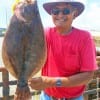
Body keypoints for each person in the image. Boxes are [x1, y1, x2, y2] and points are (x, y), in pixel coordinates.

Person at [29, 0, 98, 100]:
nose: (60, 15)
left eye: (66, 11)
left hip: (73, 98)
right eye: (55, 11)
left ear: (75, 14)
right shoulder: (45, 34)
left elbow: (88, 75)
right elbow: (25, 44)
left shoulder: (85, 38)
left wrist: (50, 82)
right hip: (47, 96)